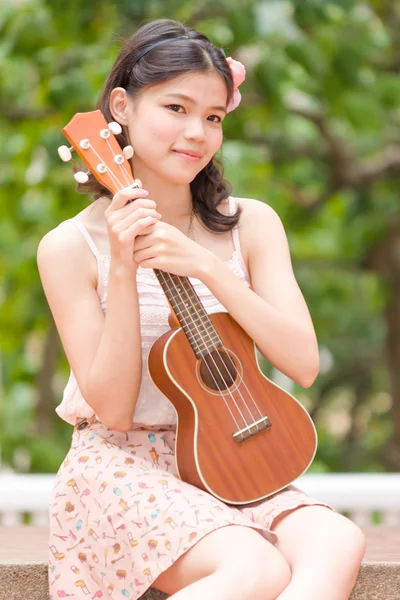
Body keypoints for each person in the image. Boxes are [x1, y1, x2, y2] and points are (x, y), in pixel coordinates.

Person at [38, 18, 365, 600]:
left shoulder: (254, 224)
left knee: (336, 541)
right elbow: (112, 408)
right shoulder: (69, 248)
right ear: (123, 107)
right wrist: (121, 261)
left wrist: (209, 267)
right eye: (176, 108)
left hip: (233, 454)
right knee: (254, 569)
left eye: (213, 116)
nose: (197, 132)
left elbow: (304, 363)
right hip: (122, 468)